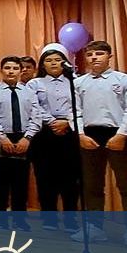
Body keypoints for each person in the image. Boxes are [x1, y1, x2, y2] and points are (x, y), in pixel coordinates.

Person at [73, 41, 127, 251]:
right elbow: (74, 111)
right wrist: (80, 134)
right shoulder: (79, 83)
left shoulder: (125, 80)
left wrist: (121, 134)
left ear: (109, 56)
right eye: (90, 54)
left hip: (118, 134)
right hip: (89, 135)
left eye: (99, 53)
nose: (94, 57)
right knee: (92, 185)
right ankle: (95, 227)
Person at [0, 56, 42, 231]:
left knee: (21, 180)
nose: (11, 71)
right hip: (0, 139)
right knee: (2, 179)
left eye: (15, 68)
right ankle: (1, 216)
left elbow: (36, 116)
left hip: (24, 138)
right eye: (7, 68)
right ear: (1, 70)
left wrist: (28, 138)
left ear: (20, 71)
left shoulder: (29, 91)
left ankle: (19, 218)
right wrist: (2, 137)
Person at [30, 48, 82, 232]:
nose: (53, 63)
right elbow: (33, 107)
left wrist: (67, 121)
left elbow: (79, 105)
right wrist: (52, 122)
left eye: (57, 59)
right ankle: (49, 217)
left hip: (70, 131)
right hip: (44, 133)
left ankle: (70, 218)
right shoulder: (35, 83)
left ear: (64, 62)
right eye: (48, 60)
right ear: (42, 65)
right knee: (45, 176)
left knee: (71, 177)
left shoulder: (75, 81)